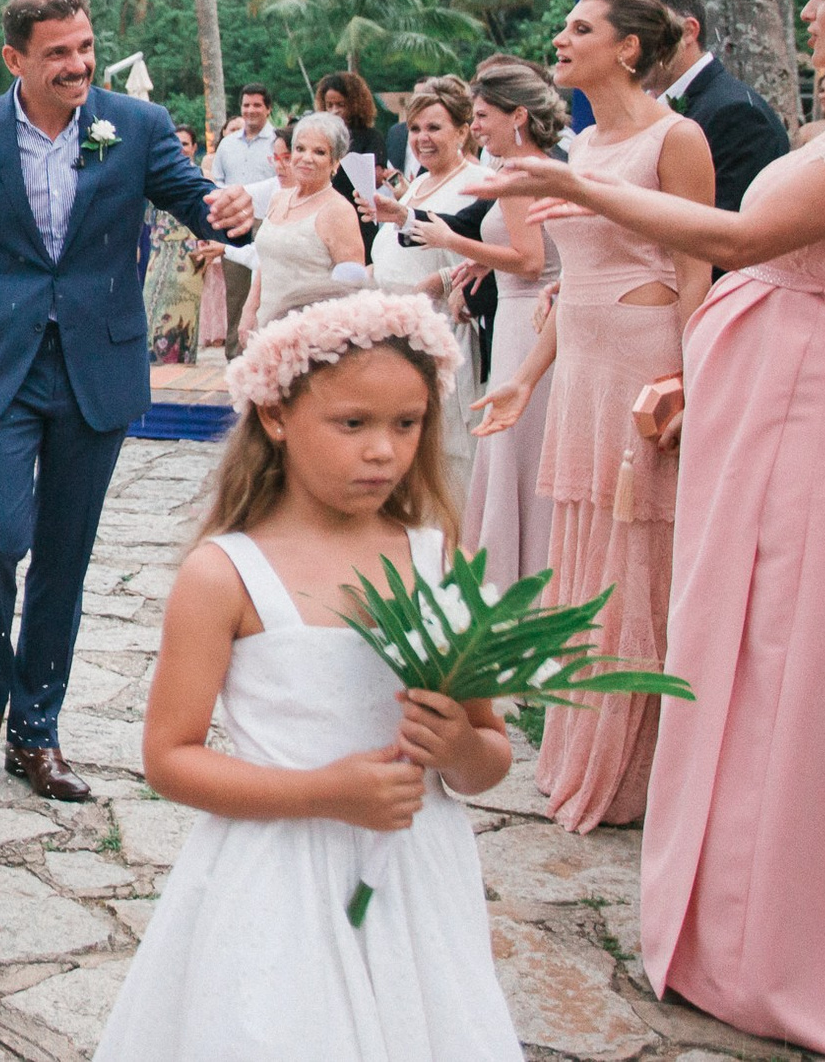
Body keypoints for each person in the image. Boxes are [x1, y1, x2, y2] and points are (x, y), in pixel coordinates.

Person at [483, 0, 825, 1060]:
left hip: (823, 428)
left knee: (797, 685)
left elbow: (745, 241)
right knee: (755, 667)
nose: (809, 8)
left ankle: (789, 950)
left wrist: (587, 189)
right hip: (780, 411)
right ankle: (736, 933)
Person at [94, 288, 521, 1062]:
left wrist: (457, 745)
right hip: (274, 877)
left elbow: (489, 754)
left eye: (407, 423)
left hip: (411, 878)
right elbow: (170, 757)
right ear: (276, 415)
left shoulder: (437, 560)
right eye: (352, 423)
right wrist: (323, 793)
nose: (384, 451)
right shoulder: (226, 575)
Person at [0, 0, 256, 801]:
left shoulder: (132, 125)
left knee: (64, 558)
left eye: (85, 47)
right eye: (58, 52)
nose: (78, 64)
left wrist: (233, 211)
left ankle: (37, 732)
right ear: (15, 59)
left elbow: (197, 204)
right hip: (1, 366)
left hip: (97, 369)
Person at [472, 0, 710, 833]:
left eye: (581, 30)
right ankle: (581, 750)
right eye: (564, 25)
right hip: (579, 363)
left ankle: (635, 771)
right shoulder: (583, 146)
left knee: (636, 555)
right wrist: (524, 379)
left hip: (643, 359)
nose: (561, 39)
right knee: (585, 549)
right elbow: (570, 284)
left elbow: (695, 268)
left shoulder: (675, 139)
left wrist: (687, 379)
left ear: (631, 49)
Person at [402, 62, 568, 587]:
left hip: (529, 317)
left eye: (482, 117)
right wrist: (477, 261)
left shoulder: (521, 175)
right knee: (516, 448)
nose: (476, 128)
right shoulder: (536, 167)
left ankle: (514, 574)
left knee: (517, 445)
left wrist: (453, 242)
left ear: (518, 116)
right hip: (526, 315)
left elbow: (529, 259)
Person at [362, 79, 491, 491]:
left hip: (445, 329)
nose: (423, 138)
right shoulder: (415, 183)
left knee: (449, 451)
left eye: (435, 128)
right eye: (415, 129)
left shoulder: (477, 182)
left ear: (462, 130)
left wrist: (440, 280)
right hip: (395, 332)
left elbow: (481, 255)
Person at [633, 0, 793, 209]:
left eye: (642, 30)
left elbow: (728, 228)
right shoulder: (644, 108)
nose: (629, 45)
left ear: (688, 32)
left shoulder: (737, 115)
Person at [238, 112, 364, 338]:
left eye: (319, 152)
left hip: (310, 335)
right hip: (265, 327)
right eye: (300, 149)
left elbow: (350, 286)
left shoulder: (338, 210)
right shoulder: (279, 199)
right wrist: (249, 311)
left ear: (335, 162)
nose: (307, 158)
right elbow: (263, 264)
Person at [212, 85, 281, 336]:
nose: (250, 110)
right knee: (236, 294)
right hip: (233, 225)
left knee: (268, 291)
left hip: (267, 221)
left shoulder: (278, 143)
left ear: (268, 108)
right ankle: (234, 358)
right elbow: (217, 183)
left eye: (257, 105)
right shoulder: (227, 144)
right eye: (246, 105)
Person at [143, 126, 210, 365]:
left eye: (185, 143)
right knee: (150, 302)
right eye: (176, 143)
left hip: (189, 252)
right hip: (159, 249)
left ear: (193, 148)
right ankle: (150, 361)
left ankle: (181, 360)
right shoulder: (156, 174)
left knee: (183, 309)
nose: (180, 148)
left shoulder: (200, 177)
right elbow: (148, 218)